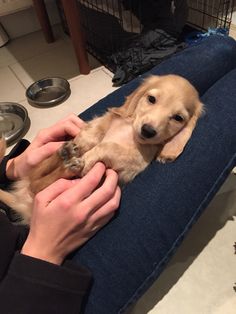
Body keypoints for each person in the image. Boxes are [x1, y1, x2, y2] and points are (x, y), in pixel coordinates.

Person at [1, 34, 236, 314]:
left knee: (220, 47)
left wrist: (10, 167)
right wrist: (42, 252)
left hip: (21, 208)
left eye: (176, 118)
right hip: (43, 281)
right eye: (150, 100)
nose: (153, 123)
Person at [0, 115, 121, 313]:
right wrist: (43, 253)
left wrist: (9, 167)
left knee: (118, 117)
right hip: (38, 284)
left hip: (13, 220)